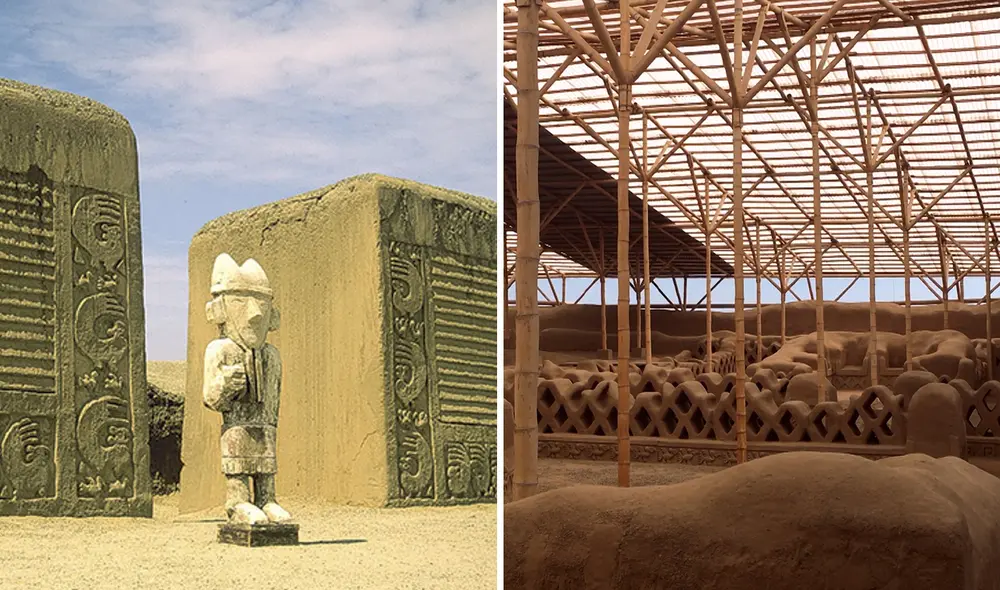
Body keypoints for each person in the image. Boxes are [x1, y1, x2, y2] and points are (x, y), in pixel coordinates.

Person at [203, 253, 291, 525]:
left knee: (266, 458)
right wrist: (225, 385)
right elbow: (210, 397)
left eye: (261, 302)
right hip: (237, 425)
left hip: (265, 425)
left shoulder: (272, 355)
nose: (255, 313)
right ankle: (237, 501)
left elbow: (274, 402)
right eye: (240, 301)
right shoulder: (219, 350)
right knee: (238, 459)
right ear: (219, 309)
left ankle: (267, 498)